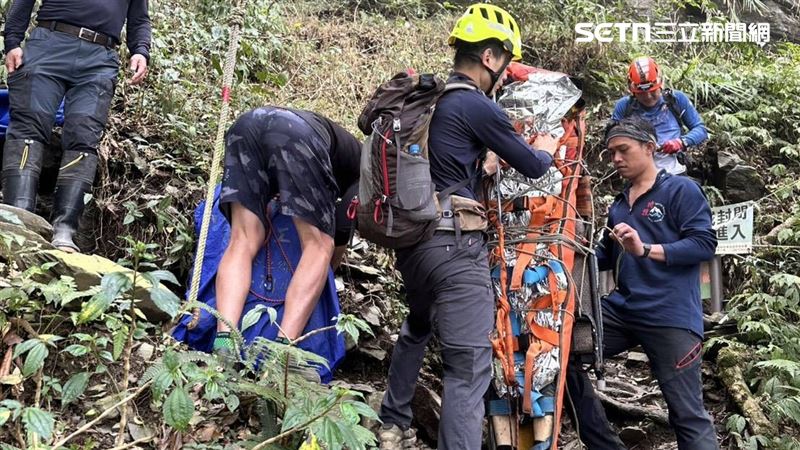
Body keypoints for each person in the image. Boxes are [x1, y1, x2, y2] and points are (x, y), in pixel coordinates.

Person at [377, 4, 557, 449]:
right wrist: (548, 147)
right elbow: (534, 166)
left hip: (413, 246)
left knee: (418, 325)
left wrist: (482, 164)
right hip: (455, 249)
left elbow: (444, 162)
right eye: (506, 63)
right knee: (469, 366)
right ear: (491, 57)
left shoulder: (432, 102)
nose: (504, 73)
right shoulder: (474, 104)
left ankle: (392, 422)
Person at [566, 117, 718, 450]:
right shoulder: (620, 205)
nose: (616, 159)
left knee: (686, 414)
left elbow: (704, 244)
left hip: (671, 314)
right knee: (561, 353)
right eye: (611, 153)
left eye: (624, 150)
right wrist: (568, 247)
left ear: (649, 148)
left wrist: (646, 249)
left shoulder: (681, 190)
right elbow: (604, 257)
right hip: (623, 309)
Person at [211, 106, 360, 360]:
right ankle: (280, 352)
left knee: (243, 239)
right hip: (297, 136)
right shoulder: (362, 169)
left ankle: (224, 342)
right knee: (318, 246)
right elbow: (338, 235)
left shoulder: (339, 140)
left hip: (246, 124)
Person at [2, 0, 151, 251]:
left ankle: (64, 230)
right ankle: (19, 221)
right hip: (50, 43)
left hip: (100, 59)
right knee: (28, 128)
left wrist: (140, 50)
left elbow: (139, 17)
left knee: (84, 138)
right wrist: (13, 42)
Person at [611, 56, 708, 175]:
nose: (647, 96)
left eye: (652, 91)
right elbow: (611, 137)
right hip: (639, 173)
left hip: (675, 171)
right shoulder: (625, 106)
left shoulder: (676, 100)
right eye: (641, 93)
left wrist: (681, 142)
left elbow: (701, 129)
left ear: (660, 84)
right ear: (633, 90)